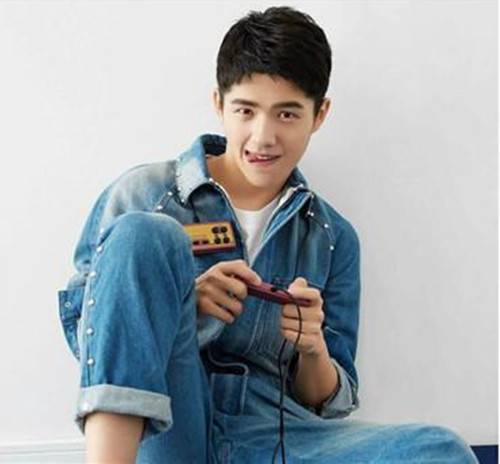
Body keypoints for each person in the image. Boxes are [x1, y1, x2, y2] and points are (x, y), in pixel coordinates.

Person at [57, 6, 479, 463]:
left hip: (273, 436)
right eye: (246, 110)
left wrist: (312, 347)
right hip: (168, 429)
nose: (263, 137)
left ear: (319, 114)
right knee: (144, 234)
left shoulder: (332, 237)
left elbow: (328, 402)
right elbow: (93, 341)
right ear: (219, 104)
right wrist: (180, 306)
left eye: (287, 114)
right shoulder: (145, 195)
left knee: (441, 451)